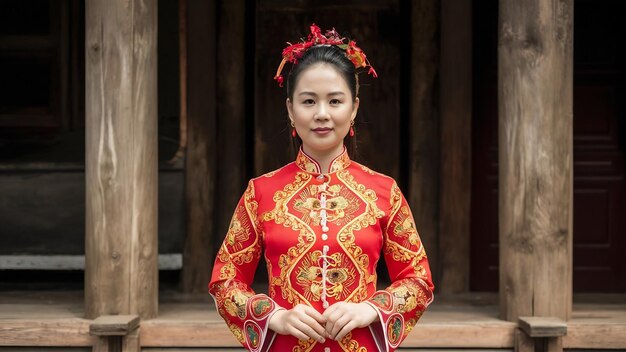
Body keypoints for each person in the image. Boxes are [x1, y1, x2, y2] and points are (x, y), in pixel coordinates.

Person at [209, 24, 434, 352]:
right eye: (309, 101)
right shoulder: (260, 193)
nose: (322, 114)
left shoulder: (385, 191)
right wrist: (275, 317)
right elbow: (224, 281)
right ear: (290, 110)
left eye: (335, 101)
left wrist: (370, 309)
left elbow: (418, 279)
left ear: (354, 108)